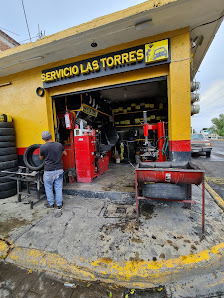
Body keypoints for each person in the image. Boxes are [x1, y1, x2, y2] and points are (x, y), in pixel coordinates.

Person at [39, 131, 67, 209]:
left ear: (43, 139)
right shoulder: (59, 145)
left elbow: (41, 158)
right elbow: (65, 154)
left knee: (48, 187)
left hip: (48, 171)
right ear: (51, 136)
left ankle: (51, 204)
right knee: (58, 187)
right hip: (59, 170)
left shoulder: (43, 147)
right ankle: (59, 204)